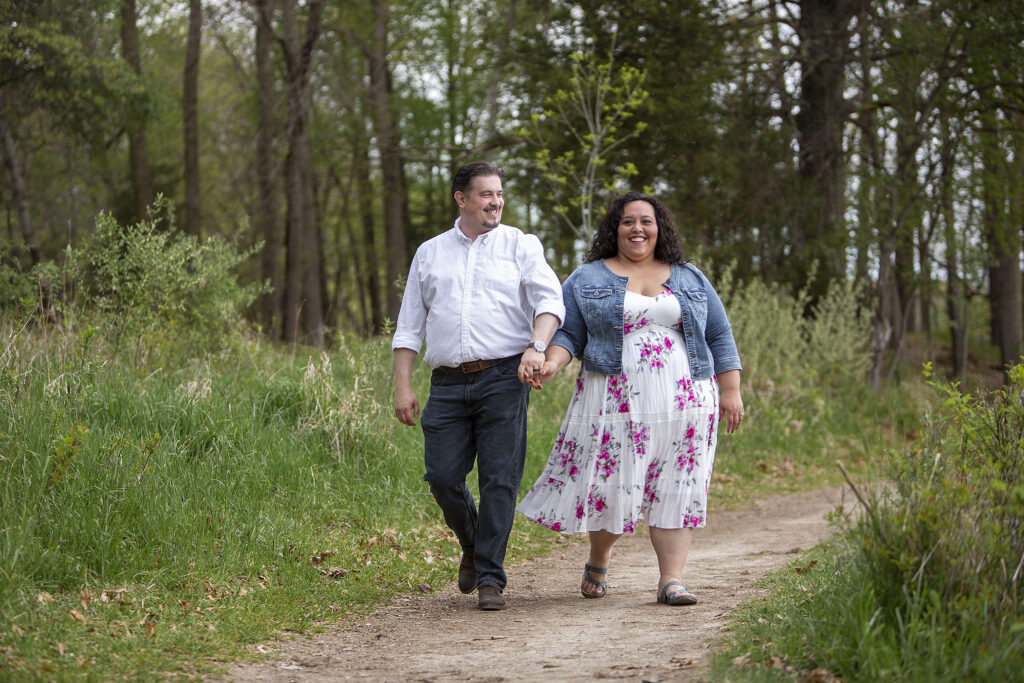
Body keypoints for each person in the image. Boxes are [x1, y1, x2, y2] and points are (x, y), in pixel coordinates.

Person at [517, 191, 743, 606]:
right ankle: (599, 558)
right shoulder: (587, 278)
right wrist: (551, 363)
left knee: (680, 484)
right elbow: (568, 333)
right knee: (613, 484)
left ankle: (671, 580)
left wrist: (731, 390)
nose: (637, 229)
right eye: (627, 221)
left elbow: (718, 333)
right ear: (613, 229)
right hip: (616, 400)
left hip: (689, 399)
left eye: (646, 221)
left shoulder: (689, 276)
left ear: (660, 229)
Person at [392, 161, 564, 611]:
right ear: (461, 199)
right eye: (486, 194)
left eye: (499, 193)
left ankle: (490, 576)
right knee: (443, 476)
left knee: (498, 480)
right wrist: (403, 387)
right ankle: (471, 542)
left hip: (505, 377)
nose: (496, 202)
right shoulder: (429, 253)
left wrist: (537, 345)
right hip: (447, 382)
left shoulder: (520, 246)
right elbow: (409, 327)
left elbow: (549, 302)